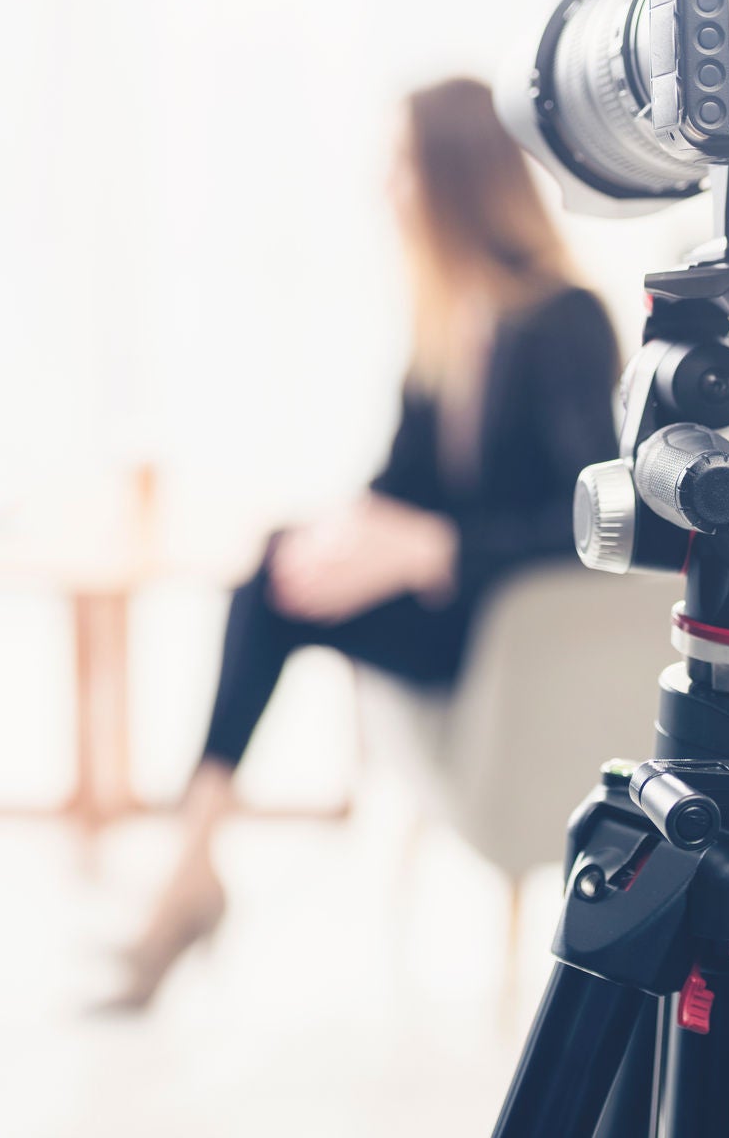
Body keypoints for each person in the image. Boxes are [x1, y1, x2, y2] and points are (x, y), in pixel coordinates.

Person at [104, 76, 621, 1010]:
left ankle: (188, 876)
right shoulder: (453, 314)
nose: (389, 191)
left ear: (455, 179)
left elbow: (591, 520)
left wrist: (435, 552)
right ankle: (191, 863)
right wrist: (344, 537)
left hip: (505, 627)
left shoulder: (565, 320)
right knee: (279, 562)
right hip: (449, 601)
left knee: (271, 580)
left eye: (401, 168)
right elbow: (403, 480)